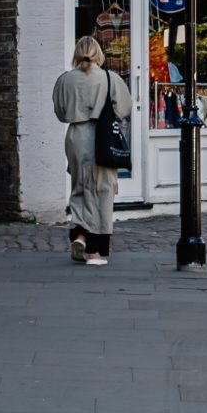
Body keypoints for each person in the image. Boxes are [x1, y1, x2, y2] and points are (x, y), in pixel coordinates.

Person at [52, 34, 131, 265]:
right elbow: (124, 108)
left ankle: (80, 234)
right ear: (98, 54)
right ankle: (95, 251)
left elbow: (60, 112)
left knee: (80, 186)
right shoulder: (110, 78)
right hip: (101, 134)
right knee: (103, 189)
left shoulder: (65, 79)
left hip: (76, 135)